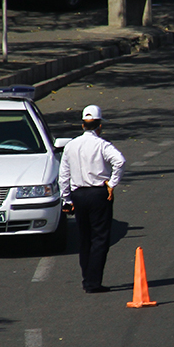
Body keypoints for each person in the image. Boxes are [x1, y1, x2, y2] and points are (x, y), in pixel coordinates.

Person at [59, 105, 126, 294]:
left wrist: (66, 199)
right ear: (99, 126)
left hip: (78, 195)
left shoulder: (71, 146)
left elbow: (63, 175)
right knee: (100, 238)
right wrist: (112, 184)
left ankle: (86, 278)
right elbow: (119, 161)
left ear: (82, 125)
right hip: (98, 194)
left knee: (85, 238)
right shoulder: (102, 145)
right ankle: (93, 282)